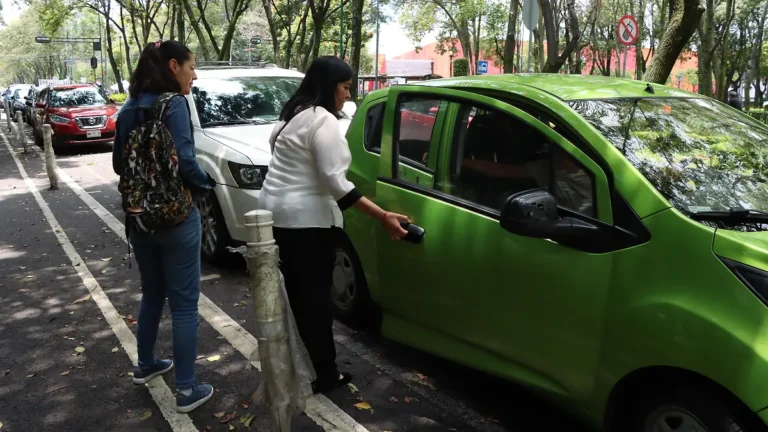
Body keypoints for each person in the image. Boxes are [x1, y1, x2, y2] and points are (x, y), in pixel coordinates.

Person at [258, 56, 410, 393]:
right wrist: (383, 216)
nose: (347, 94)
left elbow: (281, 156)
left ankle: (306, 365)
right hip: (306, 223)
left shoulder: (291, 116)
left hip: (276, 217)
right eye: (344, 87)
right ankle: (325, 374)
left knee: (299, 296)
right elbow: (336, 183)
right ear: (330, 87)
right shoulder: (322, 121)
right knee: (315, 300)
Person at [112, 40, 216, 413]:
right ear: (173, 66)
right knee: (185, 304)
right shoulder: (174, 104)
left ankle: (146, 364)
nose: (194, 74)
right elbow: (186, 161)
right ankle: (187, 390)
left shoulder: (127, 110)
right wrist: (206, 185)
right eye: (191, 67)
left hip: (139, 218)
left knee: (152, 292)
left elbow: (119, 166)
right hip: (176, 216)